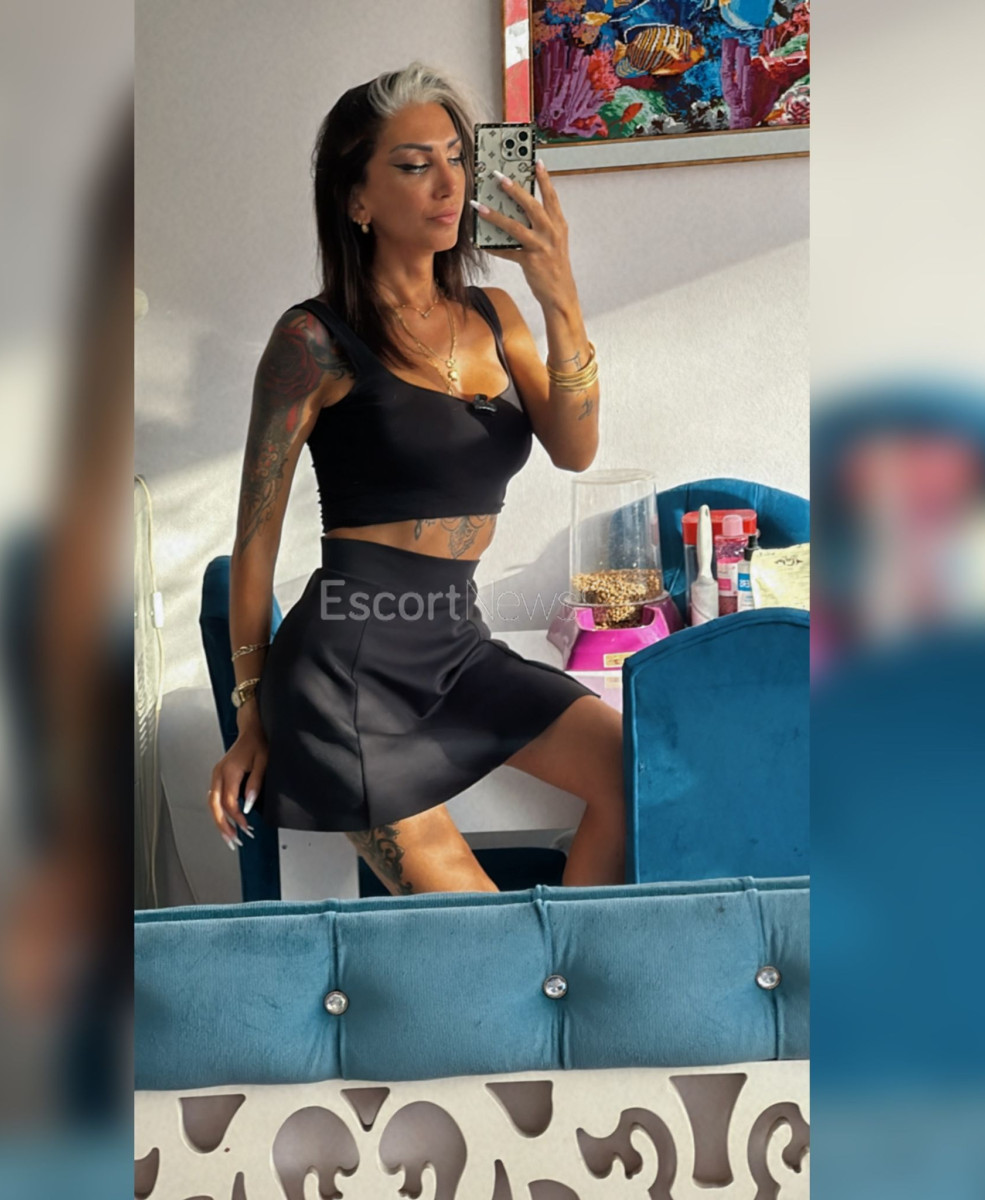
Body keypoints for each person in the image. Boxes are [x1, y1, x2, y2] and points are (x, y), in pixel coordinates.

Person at [207, 63, 624, 894]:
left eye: (457, 158)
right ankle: (543, 973)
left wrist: (559, 294)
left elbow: (576, 449)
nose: (448, 183)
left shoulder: (496, 316)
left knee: (640, 772)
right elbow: (255, 537)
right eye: (412, 164)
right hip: (346, 668)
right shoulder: (312, 342)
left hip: (458, 646)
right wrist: (250, 715)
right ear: (356, 200)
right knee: (480, 929)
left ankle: (569, 971)